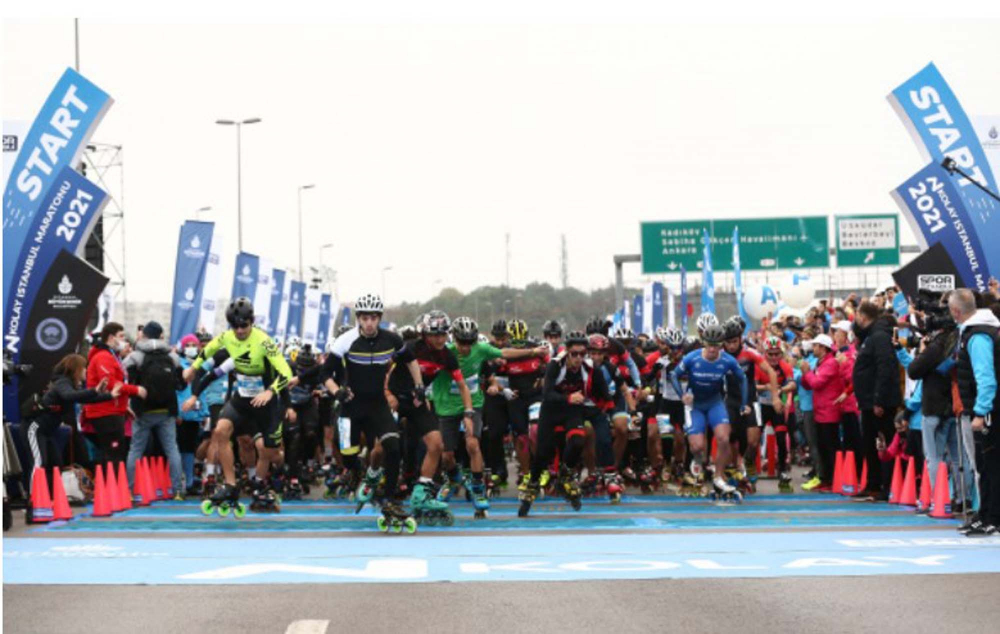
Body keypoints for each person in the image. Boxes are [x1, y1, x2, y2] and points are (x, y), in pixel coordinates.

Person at [321, 293, 427, 526]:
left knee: (393, 447)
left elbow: (410, 360)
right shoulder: (345, 341)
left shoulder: (391, 339)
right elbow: (325, 373)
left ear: (379, 318)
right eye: (364, 318)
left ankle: (389, 500)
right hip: (351, 406)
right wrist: (336, 391)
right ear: (358, 319)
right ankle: (362, 475)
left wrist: (419, 386)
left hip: (378, 404)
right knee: (348, 458)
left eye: (373, 318)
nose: (369, 323)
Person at [183, 297, 293, 513]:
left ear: (251, 322)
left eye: (244, 325)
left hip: (266, 402)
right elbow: (207, 351)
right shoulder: (228, 339)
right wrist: (193, 370)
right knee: (220, 431)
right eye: (235, 326)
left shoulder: (264, 341)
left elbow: (286, 373)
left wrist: (270, 391)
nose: (240, 330)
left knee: (269, 451)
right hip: (242, 400)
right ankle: (231, 485)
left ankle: (269, 475)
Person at [431, 316, 547, 517]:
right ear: (454, 339)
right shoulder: (444, 353)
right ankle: (452, 477)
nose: (466, 348)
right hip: (448, 407)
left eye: (469, 343)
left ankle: (477, 488)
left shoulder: (480, 349)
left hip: (473, 404)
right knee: (447, 455)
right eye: (462, 343)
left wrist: (532, 351)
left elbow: (504, 353)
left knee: (473, 444)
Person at [518, 331, 612, 517]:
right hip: (552, 409)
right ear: (567, 352)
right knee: (543, 453)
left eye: (582, 354)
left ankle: (566, 473)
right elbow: (546, 394)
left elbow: (604, 394)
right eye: (574, 354)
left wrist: (607, 407)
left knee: (579, 440)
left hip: (572, 410)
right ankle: (533, 483)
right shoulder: (555, 365)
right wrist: (568, 397)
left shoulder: (590, 367)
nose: (578, 358)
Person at [23, 354, 118, 522]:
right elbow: (70, 396)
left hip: (48, 431)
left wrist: (109, 395)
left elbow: (85, 398)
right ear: (76, 369)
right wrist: (94, 390)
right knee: (39, 463)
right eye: (84, 368)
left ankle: (49, 500)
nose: (86, 371)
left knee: (55, 464)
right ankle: (32, 503)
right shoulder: (62, 383)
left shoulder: (70, 385)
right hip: (36, 428)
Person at [670, 323, 748, 501]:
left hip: (715, 403)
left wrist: (744, 403)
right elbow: (674, 375)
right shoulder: (692, 358)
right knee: (697, 446)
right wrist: (682, 395)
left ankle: (719, 477)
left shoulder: (727, 360)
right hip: (694, 405)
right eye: (709, 344)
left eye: (717, 345)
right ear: (704, 343)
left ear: (722, 345)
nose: (712, 349)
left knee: (723, 437)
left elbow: (742, 378)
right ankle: (699, 462)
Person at [950, 289, 1000, 536]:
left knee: (989, 465)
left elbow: (986, 378)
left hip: (989, 409)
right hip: (987, 407)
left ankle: (992, 517)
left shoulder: (978, 336)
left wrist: (981, 412)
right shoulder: (976, 331)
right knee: (985, 464)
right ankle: (986, 514)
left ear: (956, 311)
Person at [124, 321, 186, 498]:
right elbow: (181, 385)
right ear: (161, 336)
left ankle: (129, 490)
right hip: (166, 410)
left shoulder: (135, 357)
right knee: (172, 449)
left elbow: (128, 381)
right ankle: (178, 491)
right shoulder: (173, 357)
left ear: (143, 335)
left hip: (142, 410)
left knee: (135, 450)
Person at [852, 300, 901, 501]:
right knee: (869, 444)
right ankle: (873, 483)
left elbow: (885, 367)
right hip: (868, 400)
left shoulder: (879, 336)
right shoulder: (871, 336)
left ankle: (886, 484)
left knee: (885, 444)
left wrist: (879, 399)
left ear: (863, 316)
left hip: (879, 401)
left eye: (856, 315)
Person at [83, 322, 146, 469]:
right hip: (105, 412)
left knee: (113, 452)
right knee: (113, 453)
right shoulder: (103, 357)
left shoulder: (111, 356)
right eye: (121, 336)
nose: (124, 340)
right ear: (111, 338)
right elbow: (112, 384)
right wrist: (136, 390)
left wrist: (124, 407)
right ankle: (112, 488)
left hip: (112, 410)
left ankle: (111, 487)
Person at [799, 334, 843, 490]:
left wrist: (807, 373)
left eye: (816, 345)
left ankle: (831, 479)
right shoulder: (821, 362)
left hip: (829, 411)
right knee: (823, 446)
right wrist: (806, 374)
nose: (813, 348)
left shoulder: (830, 363)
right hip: (821, 411)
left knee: (829, 447)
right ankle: (825, 478)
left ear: (823, 348)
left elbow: (817, 383)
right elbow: (808, 385)